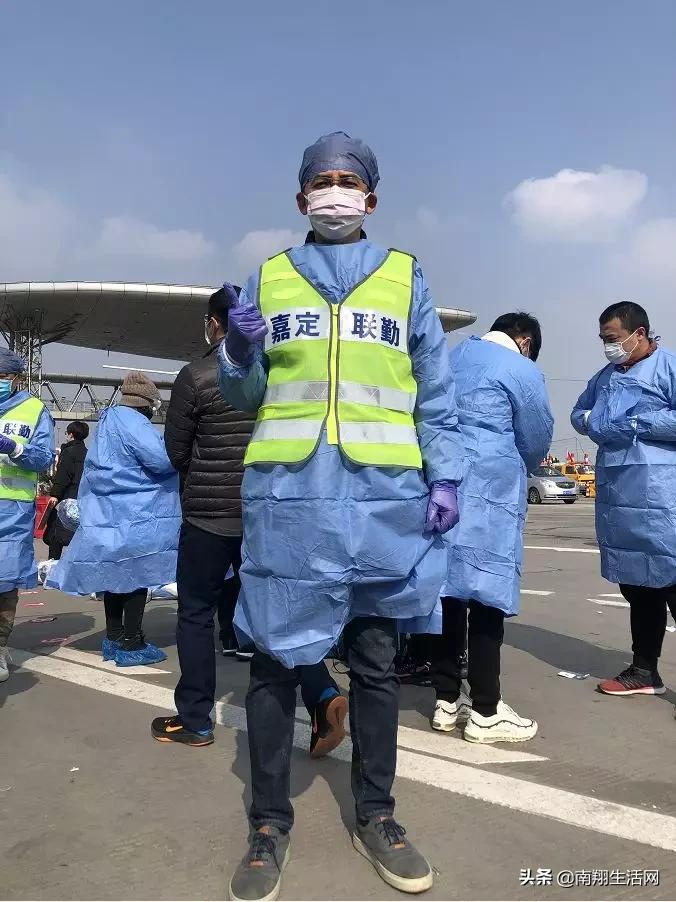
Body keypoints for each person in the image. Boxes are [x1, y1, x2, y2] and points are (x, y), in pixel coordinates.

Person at [218, 132, 463, 901]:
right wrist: (236, 350)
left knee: (375, 662)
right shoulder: (271, 276)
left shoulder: (404, 278)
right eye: (320, 181)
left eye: (345, 180)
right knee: (272, 662)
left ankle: (378, 814)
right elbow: (244, 398)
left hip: (380, 498)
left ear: (370, 198)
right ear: (300, 199)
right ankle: (267, 823)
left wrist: (445, 474)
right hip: (290, 498)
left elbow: (433, 384)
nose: (333, 191)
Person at [151, 288, 346, 754]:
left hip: (208, 517)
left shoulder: (196, 375)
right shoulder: (273, 375)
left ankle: (196, 718)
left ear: (216, 324)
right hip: (266, 513)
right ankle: (320, 695)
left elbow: (176, 452)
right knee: (279, 612)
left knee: (196, 614)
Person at [422, 314, 553, 743]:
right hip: (490, 492)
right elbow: (535, 437)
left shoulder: (451, 357)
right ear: (526, 340)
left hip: (444, 484)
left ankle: (445, 701)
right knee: (487, 595)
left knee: (449, 594)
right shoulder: (519, 368)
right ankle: (486, 709)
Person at [572, 301, 676, 698]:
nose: (607, 347)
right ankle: (644, 670)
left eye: (612, 339)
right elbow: (580, 413)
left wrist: (640, 422)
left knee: (671, 580)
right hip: (619, 493)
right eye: (603, 340)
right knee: (636, 584)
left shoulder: (667, 367)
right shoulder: (606, 376)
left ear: (640, 333)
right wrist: (594, 422)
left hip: (660, 495)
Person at [49, 372, 179, 667]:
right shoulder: (135, 423)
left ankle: (114, 637)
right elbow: (161, 460)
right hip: (134, 512)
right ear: (146, 403)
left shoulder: (108, 421)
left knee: (114, 576)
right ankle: (132, 643)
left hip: (108, 512)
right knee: (136, 576)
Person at [0, 348, 55, 682]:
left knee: (5, 583)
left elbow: (44, 457)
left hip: (12, 512)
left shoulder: (34, 410)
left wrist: (15, 448)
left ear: (17, 378)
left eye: (3, 377)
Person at [43, 420, 89, 559]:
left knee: (56, 536)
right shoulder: (88, 453)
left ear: (71, 434)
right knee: (78, 536)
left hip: (67, 498)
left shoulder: (68, 452)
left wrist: (55, 494)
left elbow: (63, 476)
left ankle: (52, 567)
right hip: (83, 499)